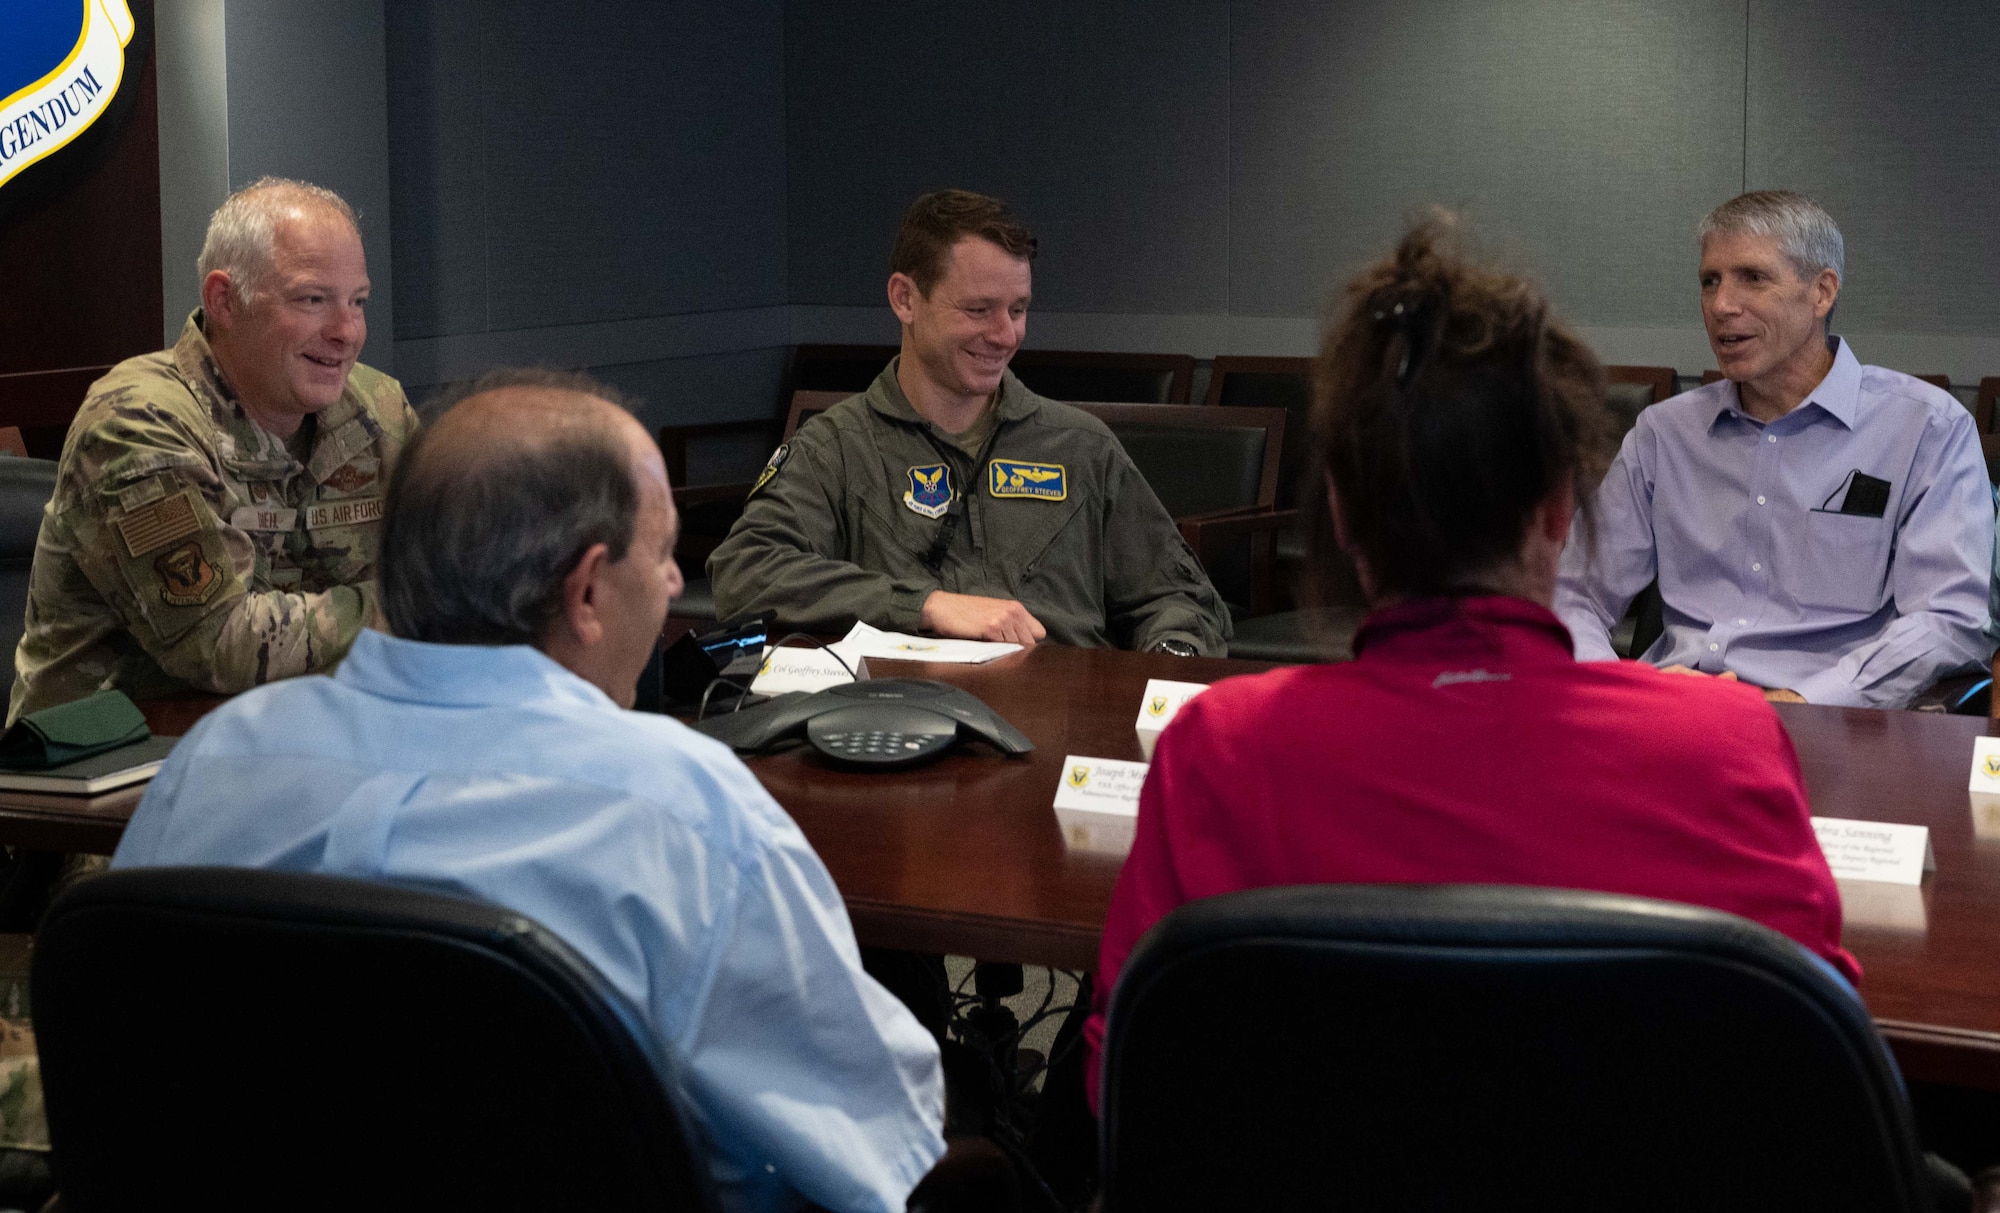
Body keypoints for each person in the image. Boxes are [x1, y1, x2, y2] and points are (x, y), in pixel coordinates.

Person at [113, 371, 947, 1213]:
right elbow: (884, 1143)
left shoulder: (212, 767)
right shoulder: (684, 816)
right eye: (663, 554)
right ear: (586, 591)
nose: (672, 583)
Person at [1086, 216, 1859, 1113]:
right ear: (1563, 511)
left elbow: (1127, 1077)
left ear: (1339, 514)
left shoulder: (1219, 749)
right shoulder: (1724, 746)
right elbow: (1818, 1063)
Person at [708, 189, 1231, 655]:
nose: (1005, 335)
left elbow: (1178, 598)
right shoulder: (838, 448)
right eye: (979, 311)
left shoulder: (1080, 447)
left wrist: (1169, 660)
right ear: (905, 299)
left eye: (1019, 309)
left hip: (1062, 714)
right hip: (900, 719)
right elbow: (745, 572)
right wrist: (927, 606)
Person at [1552, 190, 1991, 708]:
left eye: (1752, 278)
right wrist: (1614, 687)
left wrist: (1805, 701)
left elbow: (1949, 619)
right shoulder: (1664, 433)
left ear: (1822, 292)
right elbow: (1574, 593)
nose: (1721, 306)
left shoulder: (1924, 428)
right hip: (1675, 711)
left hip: (1833, 719)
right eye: (1709, 281)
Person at [9, 177, 419, 723]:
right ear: (224, 300)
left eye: (358, 301)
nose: (347, 331)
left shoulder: (379, 408)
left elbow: (457, 568)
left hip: (306, 742)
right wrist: (410, 608)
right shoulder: (137, 422)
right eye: (313, 299)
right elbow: (220, 644)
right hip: (117, 770)